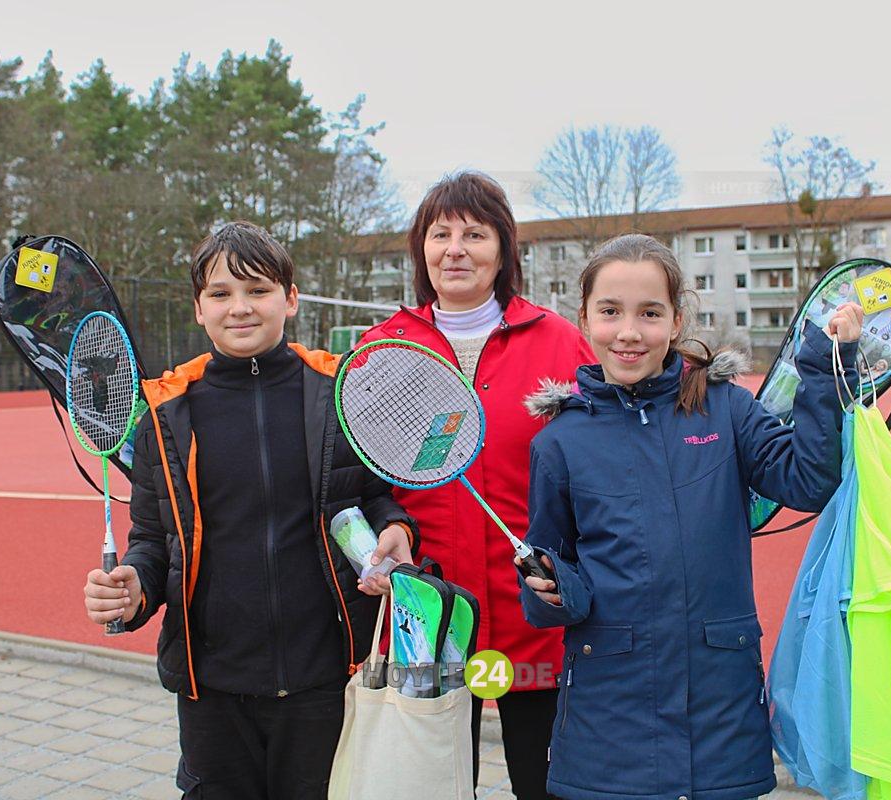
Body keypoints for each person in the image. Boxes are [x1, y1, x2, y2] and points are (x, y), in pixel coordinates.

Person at [518, 233, 863, 800]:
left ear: (676, 319)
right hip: (609, 720)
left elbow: (808, 481)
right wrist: (550, 589)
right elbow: (551, 570)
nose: (629, 332)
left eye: (649, 313)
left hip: (718, 709)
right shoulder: (561, 442)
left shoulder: (727, 408)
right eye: (610, 312)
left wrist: (824, 371)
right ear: (583, 318)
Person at [82, 221, 418, 799]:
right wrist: (134, 587)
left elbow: (373, 497)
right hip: (212, 686)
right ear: (199, 308)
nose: (240, 307)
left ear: (290, 299)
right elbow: (152, 539)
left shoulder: (341, 392)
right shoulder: (165, 412)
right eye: (220, 293)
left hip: (326, 677)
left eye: (257, 290)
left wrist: (395, 528)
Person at [358, 171, 594, 799]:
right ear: (421, 250)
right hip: (428, 609)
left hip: (535, 608)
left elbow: (598, 466)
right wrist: (391, 529)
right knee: (432, 784)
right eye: (440, 234)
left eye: (474, 233)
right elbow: (360, 480)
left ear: (503, 250)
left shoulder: (560, 341)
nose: (455, 249)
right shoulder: (384, 348)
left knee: (546, 785)